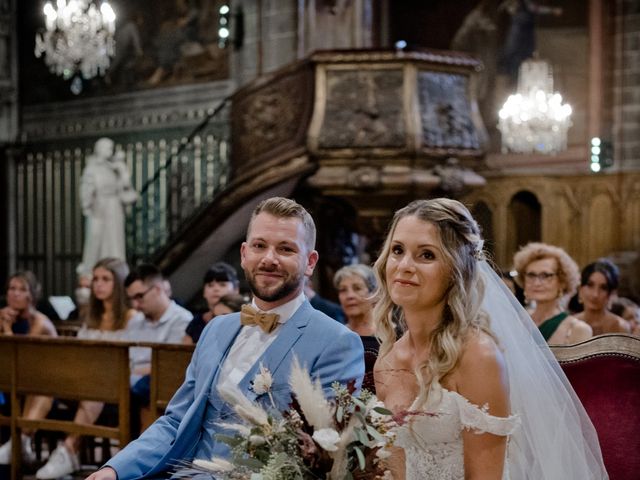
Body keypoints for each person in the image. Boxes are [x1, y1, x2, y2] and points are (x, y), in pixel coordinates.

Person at [85, 197, 364, 480]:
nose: (269, 258)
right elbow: (176, 422)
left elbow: (319, 458)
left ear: (310, 262)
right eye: (259, 246)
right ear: (244, 254)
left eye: (286, 248)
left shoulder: (336, 343)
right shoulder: (216, 329)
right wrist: (114, 468)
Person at [373, 198, 607, 479]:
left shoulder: (477, 356)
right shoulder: (386, 359)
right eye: (398, 250)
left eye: (427, 255)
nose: (404, 266)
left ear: (455, 270)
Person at [35, 258, 140, 479]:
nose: (98, 284)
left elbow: (137, 359)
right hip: (85, 381)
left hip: (116, 387)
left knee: (96, 389)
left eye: (106, 279)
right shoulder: (90, 316)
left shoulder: (133, 318)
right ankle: (22, 439)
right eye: (95, 279)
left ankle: (68, 449)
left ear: (119, 283)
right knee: (43, 379)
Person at [123, 264, 193, 435]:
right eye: (132, 299)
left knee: (148, 387)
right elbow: (123, 357)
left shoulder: (182, 320)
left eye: (139, 296)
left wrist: (129, 371)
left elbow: (169, 367)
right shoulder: (135, 321)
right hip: (129, 381)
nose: (136, 305)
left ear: (158, 289)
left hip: (162, 384)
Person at [0, 271, 57, 465]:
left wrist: (6, 329)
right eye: (11, 289)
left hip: (51, 385)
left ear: (31, 295)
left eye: (21, 289)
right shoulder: (5, 316)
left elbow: (19, 357)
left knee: (33, 386)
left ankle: (18, 444)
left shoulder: (39, 322)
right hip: (17, 381)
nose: (15, 294)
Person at [77, 137, 138, 278]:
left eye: (111, 148)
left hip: (114, 207)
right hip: (99, 208)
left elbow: (126, 186)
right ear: (99, 149)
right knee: (95, 238)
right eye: (108, 148)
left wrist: (122, 170)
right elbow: (86, 189)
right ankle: (91, 271)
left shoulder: (115, 167)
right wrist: (87, 206)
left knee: (114, 242)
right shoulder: (92, 169)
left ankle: (116, 270)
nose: (111, 151)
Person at [513, 242, 592, 345]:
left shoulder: (576, 329)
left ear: (562, 281)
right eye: (531, 275)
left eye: (545, 275)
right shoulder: (517, 320)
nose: (537, 283)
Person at [334, 264, 379, 392]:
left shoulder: (393, 335)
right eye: (343, 290)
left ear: (374, 293)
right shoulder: (335, 337)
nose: (349, 296)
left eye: (357, 288)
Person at [183, 261, 240, 344]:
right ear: (204, 292)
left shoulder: (244, 319)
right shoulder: (196, 322)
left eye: (222, 284)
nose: (215, 289)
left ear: (236, 289)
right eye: (210, 285)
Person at [575, 260, 631, 335]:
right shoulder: (569, 325)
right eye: (590, 285)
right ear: (580, 289)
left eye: (603, 288)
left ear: (611, 293)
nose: (595, 294)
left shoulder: (620, 327)